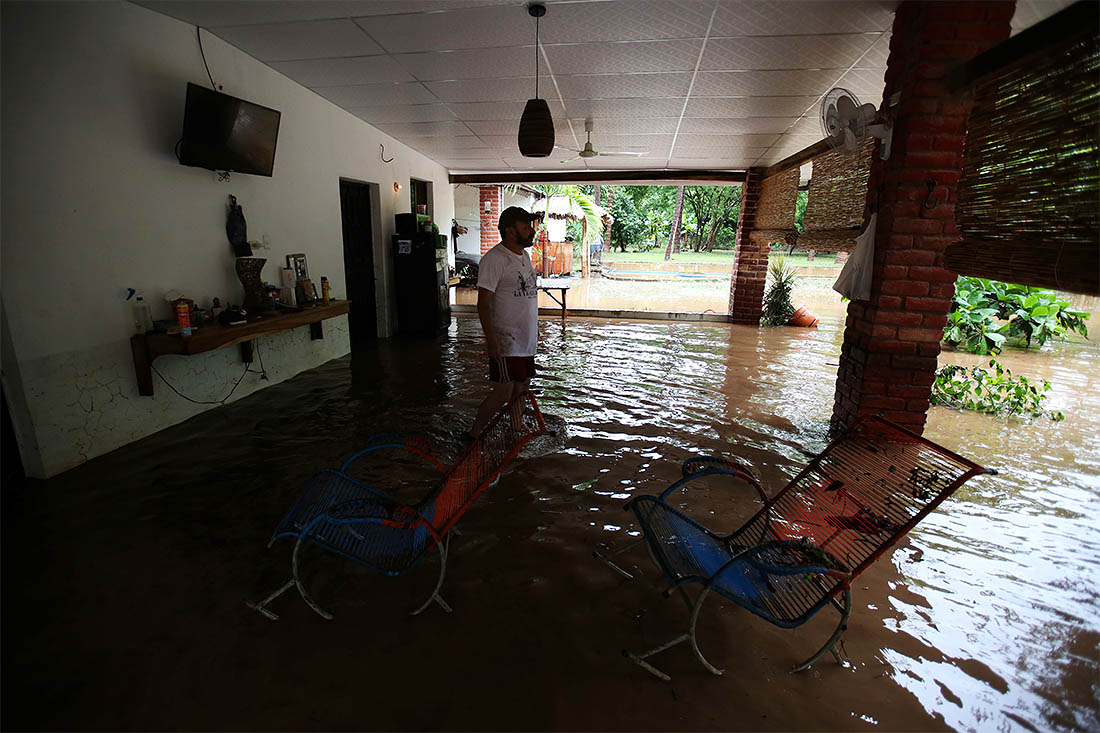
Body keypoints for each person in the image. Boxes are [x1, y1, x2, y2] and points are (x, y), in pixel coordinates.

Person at [468, 206, 543, 438]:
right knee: (503, 391)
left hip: (524, 339)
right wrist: (492, 342)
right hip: (506, 340)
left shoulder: (524, 256)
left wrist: (534, 333)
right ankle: (474, 434)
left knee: (522, 387)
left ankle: (516, 429)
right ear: (510, 231)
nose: (531, 231)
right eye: (525, 226)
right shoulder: (495, 259)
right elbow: (483, 303)